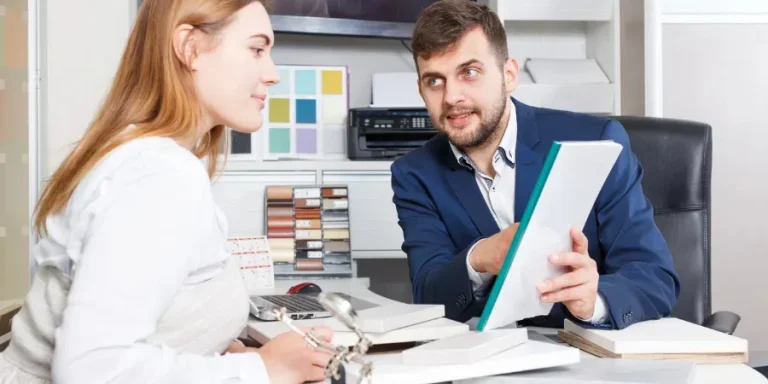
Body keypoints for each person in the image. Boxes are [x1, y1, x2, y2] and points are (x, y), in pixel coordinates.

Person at [0, 1, 334, 383]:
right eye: (257, 49)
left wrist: (209, 354)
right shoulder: (158, 174)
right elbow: (90, 370)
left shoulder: (144, 157)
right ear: (189, 47)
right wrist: (261, 369)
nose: (272, 73)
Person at [390, 0, 680, 330]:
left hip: (590, 358)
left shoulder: (596, 141)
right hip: (488, 367)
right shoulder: (414, 173)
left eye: (469, 73)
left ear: (508, 74)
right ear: (420, 89)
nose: (452, 96)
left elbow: (656, 278)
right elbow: (429, 295)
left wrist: (594, 301)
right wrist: (480, 257)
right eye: (435, 81)